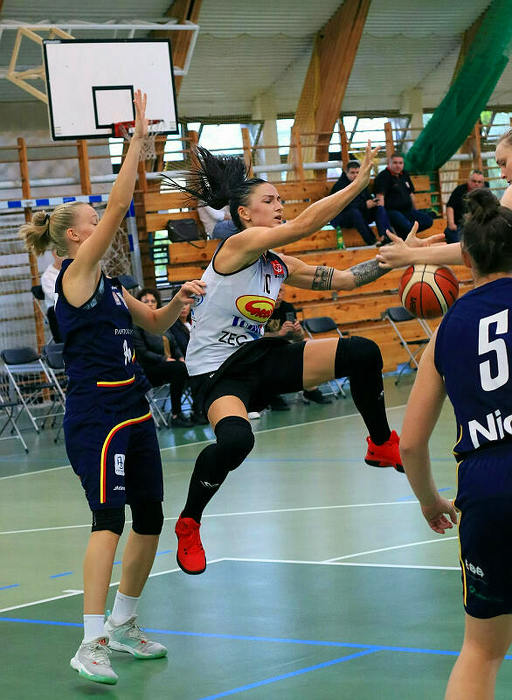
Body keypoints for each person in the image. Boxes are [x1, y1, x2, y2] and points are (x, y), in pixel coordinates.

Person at [19, 91, 204, 685]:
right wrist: (137, 143)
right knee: (108, 519)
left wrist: (179, 301)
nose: (102, 225)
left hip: (133, 406)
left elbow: (156, 324)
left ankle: (124, 624)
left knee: (149, 517)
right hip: (96, 412)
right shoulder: (74, 278)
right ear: (77, 237)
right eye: (93, 222)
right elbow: (120, 202)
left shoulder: (113, 286)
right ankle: (90, 640)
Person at [163, 141, 407, 577]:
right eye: (270, 200)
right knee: (236, 442)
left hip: (259, 357)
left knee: (362, 353)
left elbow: (346, 280)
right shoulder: (238, 246)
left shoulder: (276, 264)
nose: (279, 206)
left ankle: (381, 443)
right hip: (217, 373)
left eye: (280, 199)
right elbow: (305, 223)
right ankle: (189, 522)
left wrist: (399, 257)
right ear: (244, 213)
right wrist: (357, 185)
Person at [400, 187, 512, 700]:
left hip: (485, 491)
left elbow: (410, 444)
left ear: (465, 259)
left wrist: (430, 501)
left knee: (481, 651)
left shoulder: (447, 330)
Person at [133, 288, 192, 428]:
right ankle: (176, 414)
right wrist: (163, 359)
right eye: (146, 301)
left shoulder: (161, 321)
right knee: (179, 369)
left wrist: (180, 357)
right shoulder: (136, 325)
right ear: (138, 303)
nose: (150, 303)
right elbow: (142, 352)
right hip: (149, 368)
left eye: (153, 301)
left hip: (169, 366)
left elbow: (174, 344)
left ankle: (199, 410)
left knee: (188, 367)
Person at [265, 288, 331, 406]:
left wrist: (298, 331)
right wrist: (279, 333)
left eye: (280, 291)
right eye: (275, 290)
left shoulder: (288, 308)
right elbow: (256, 337)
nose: (278, 294)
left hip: (285, 344)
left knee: (308, 344)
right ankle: (272, 394)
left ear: (284, 292)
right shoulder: (261, 309)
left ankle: (310, 389)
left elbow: (298, 338)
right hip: (265, 346)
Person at [330, 160, 391, 246]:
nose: (355, 175)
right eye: (352, 173)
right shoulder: (340, 186)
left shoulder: (361, 183)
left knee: (380, 209)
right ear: (346, 173)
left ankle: (385, 237)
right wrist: (365, 205)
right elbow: (344, 206)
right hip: (341, 217)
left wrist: (373, 202)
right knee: (354, 213)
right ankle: (372, 241)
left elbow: (367, 198)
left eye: (357, 173)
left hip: (360, 213)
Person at [373, 152, 433, 239]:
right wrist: (384, 220)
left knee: (428, 221)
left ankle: (403, 234)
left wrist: (416, 211)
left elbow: (411, 195)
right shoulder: (382, 177)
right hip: (392, 211)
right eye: (395, 163)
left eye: (400, 163)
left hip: (408, 210)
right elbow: (380, 198)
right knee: (408, 226)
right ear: (389, 163)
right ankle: (403, 234)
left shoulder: (405, 174)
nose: (398, 166)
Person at [445, 170, 486, 243]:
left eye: (479, 182)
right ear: (468, 181)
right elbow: (450, 207)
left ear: (483, 184)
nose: (476, 184)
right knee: (453, 237)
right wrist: (451, 223)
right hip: (459, 225)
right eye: (474, 181)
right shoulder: (459, 190)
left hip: (477, 226)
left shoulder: (485, 193)